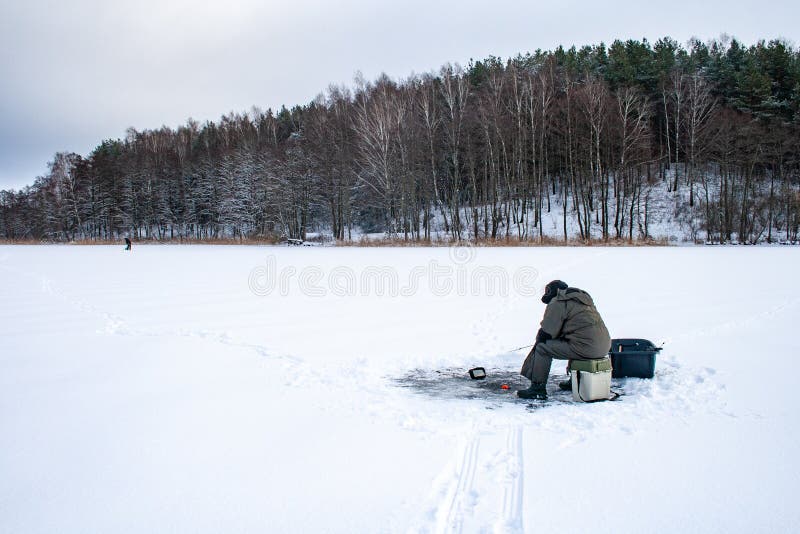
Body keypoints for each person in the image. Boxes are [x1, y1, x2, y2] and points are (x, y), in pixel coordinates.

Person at [518, 280, 611, 400]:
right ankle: (575, 381)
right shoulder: (582, 299)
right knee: (575, 339)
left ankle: (537, 389)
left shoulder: (558, 301)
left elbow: (548, 331)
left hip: (587, 347)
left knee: (542, 348)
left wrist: (539, 339)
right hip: (604, 346)